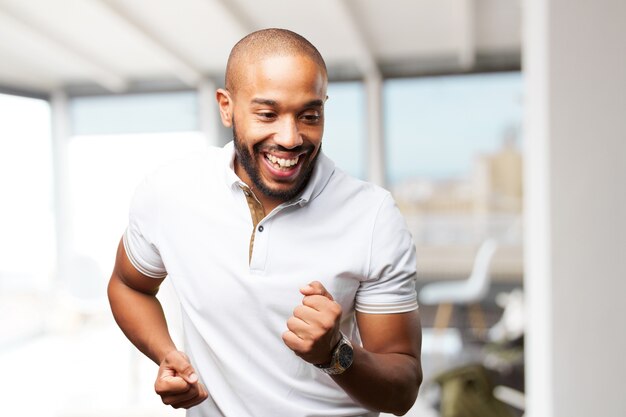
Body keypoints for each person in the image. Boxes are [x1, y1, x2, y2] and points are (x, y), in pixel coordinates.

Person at [108, 28, 422, 417]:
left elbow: (403, 390)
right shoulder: (168, 192)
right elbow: (129, 285)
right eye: (267, 114)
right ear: (226, 106)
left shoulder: (373, 216)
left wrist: (334, 354)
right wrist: (167, 353)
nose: (290, 138)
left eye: (309, 115)